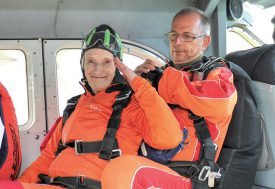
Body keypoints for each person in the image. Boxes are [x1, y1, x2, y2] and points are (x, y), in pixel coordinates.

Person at [0, 24, 182, 189]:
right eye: (91, 61)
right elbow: (46, 160)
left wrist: (136, 82)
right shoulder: (73, 106)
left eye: (107, 62)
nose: (97, 70)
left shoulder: (131, 103)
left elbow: (169, 138)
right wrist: (19, 185)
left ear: (118, 65)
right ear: (82, 65)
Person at [101, 7, 237, 189]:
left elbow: (218, 103)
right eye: (173, 36)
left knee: (123, 171)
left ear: (204, 42)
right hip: (150, 163)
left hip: (188, 177)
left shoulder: (218, 74)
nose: (177, 42)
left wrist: (162, 77)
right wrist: (137, 82)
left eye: (187, 36)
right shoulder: (164, 73)